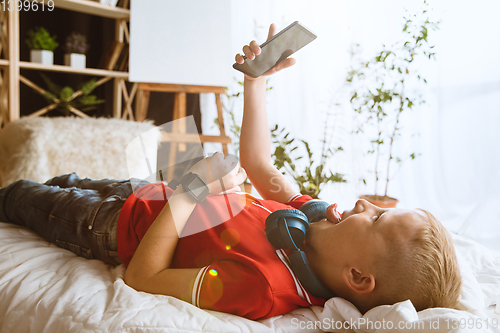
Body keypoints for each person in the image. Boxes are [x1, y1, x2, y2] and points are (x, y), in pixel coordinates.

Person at [0, 24, 461, 320]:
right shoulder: (312, 218)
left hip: (112, 228)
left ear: (358, 278)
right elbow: (260, 164)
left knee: (19, 196)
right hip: (144, 191)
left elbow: (143, 278)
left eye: (377, 219)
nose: (364, 203)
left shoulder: (261, 287)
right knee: (63, 180)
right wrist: (255, 83)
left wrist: (191, 191)